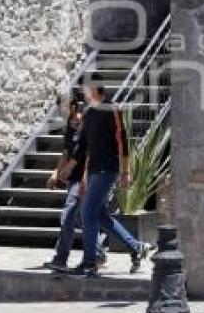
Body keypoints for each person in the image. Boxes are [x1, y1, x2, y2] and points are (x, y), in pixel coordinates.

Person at [58, 76, 150, 277]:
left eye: (84, 88)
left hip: (108, 169)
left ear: (94, 88)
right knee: (99, 215)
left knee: (87, 213)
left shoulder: (111, 109)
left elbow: (122, 141)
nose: (81, 91)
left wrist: (126, 172)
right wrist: (71, 172)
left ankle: (90, 263)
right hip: (92, 172)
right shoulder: (88, 114)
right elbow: (83, 149)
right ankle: (137, 247)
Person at [43, 94, 107, 271]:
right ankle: (97, 253)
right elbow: (66, 152)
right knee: (82, 217)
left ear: (72, 107)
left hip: (83, 178)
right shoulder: (69, 127)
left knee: (68, 216)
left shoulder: (83, 124)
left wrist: (81, 176)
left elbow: (84, 154)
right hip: (73, 179)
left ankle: (61, 259)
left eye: (62, 107)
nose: (59, 110)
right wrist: (56, 173)